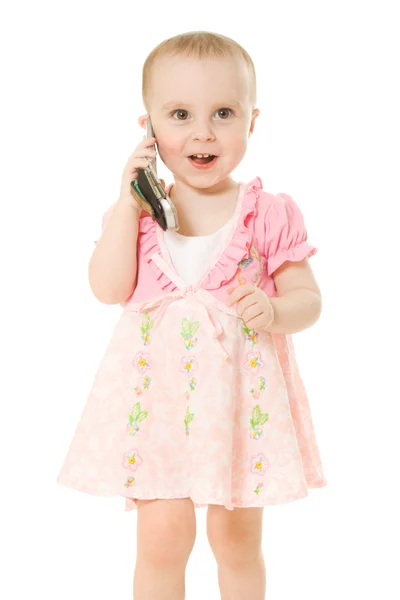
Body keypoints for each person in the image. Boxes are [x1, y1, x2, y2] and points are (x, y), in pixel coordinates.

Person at [57, 30, 327, 600]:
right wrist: (130, 202)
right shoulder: (140, 215)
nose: (202, 132)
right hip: (158, 406)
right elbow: (107, 289)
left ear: (251, 122)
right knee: (161, 538)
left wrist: (276, 309)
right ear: (149, 128)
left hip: (237, 406)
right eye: (180, 114)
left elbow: (309, 300)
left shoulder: (268, 213)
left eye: (223, 113)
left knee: (235, 540)